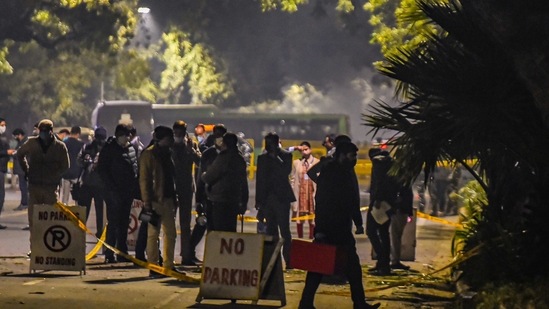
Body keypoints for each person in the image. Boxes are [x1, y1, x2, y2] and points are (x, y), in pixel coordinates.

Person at [299, 142, 380, 309]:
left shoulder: (345, 171)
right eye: (352, 156)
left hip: (341, 226)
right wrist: (320, 229)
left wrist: (357, 222)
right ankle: (356, 303)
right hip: (330, 228)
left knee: (349, 268)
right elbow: (322, 201)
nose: (354, 159)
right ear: (342, 155)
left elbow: (352, 199)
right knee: (321, 266)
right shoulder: (331, 172)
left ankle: (307, 303)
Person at [15, 119, 69, 239]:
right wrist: (26, 169)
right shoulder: (32, 143)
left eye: (46, 130)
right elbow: (20, 154)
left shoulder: (60, 146)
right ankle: (35, 248)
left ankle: (47, 246)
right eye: (42, 130)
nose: (43, 133)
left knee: (51, 218)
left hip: (51, 188)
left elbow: (66, 165)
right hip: (35, 186)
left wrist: (55, 175)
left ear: (51, 131)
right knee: (34, 220)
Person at [139, 126, 179, 278]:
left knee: (171, 234)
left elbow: (171, 178)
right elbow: (144, 180)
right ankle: (154, 267)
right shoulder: (149, 155)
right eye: (169, 138)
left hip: (168, 199)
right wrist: (147, 201)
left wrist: (174, 198)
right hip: (155, 201)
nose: (172, 140)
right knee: (153, 235)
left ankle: (168, 265)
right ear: (162, 138)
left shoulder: (168, 153)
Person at [97, 124, 139, 264]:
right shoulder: (109, 149)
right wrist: (111, 189)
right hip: (113, 193)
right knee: (113, 223)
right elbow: (102, 171)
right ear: (117, 135)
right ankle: (109, 253)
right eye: (122, 135)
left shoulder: (131, 149)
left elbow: (135, 168)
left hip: (127, 192)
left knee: (123, 223)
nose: (125, 138)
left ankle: (122, 252)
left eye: (127, 135)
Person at [255, 132, 296, 269]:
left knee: (285, 231)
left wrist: (275, 157)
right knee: (271, 230)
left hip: (282, 198)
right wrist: (259, 201)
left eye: (270, 143)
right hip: (267, 199)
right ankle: (273, 261)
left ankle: (289, 260)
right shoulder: (262, 158)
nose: (267, 145)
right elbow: (260, 180)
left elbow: (285, 172)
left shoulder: (285, 155)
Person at [201, 132, 249, 232]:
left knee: (219, 232)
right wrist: (244, 201)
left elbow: (209, 176)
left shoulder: (223, 158)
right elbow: (244, 183)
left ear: (225, 143)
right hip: (234, 200)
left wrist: (204, 175)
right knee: (230, 231)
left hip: (221, 200)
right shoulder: (239, 159)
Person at [171, 120, 201, 265]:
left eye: (180, 132)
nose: (177, 135)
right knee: (169, 223)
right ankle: (167, 255)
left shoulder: (191, 144)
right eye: (175, 132)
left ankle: (186, 255)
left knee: (185, 223)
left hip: (186, 188)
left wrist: (191, 150)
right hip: (171, 187)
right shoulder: (168, 144)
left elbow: (200, 162)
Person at [366, 149, 399, 276]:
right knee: (384, 233)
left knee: (371, 231)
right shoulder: (392, 163)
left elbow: (378, 183)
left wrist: (377, 199)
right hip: (389, 204)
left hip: (379, 204)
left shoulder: (377, 163)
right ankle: (384, 264)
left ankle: (382, 261)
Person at [78, 126, 107, 238]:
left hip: (100, 184)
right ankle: (81, 231)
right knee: (84, 210)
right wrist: (85, 161)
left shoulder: (107, 149)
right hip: (88, 183)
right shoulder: (87, 147)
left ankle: (101, 232)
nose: (99, 141)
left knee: (101, 211)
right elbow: (79, 160)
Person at [290, 141, 319, 239]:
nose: (304, 152)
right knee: (299, 217)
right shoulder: (296, 163)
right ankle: (300, 238)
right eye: (302, 150)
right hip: (300, 193)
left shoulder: (316, 162)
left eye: (306, 149)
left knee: (313, 218)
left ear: (310, 150)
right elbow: (293, 178)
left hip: (312, 193)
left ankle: (311, 237)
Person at [390, 183, 413, 270]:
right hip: (403, 211)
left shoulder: (401, 182)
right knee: (397, 237)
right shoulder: (407, 181)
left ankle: (395, 260)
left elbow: (400, 197)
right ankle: (395, 260)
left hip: (399, 211)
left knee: (395, 237)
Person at [60, 126, 84, 205]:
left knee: (65, 197)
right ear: (78, 134)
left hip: (65, 172)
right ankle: (77, 212)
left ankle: (64, 211)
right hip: (76, 173)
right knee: (77, 196)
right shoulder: (81, 144)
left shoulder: (64, 143)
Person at [0, 118, 15, 229]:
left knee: (1, 196)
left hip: (2, 169)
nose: (3, 127)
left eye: (4, 125)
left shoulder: (3, 139)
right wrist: (6, 152)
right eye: (2, 125)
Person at [12, 128, 29, 212]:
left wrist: (14, 153)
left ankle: (24, 203)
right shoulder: (21, 142)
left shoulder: (24, 143)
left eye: (16, 135)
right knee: (23, 187)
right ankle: (24, 203)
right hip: (21, 169)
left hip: (22, 169)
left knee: (23, 187)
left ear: (19, 135)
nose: (15, 137)